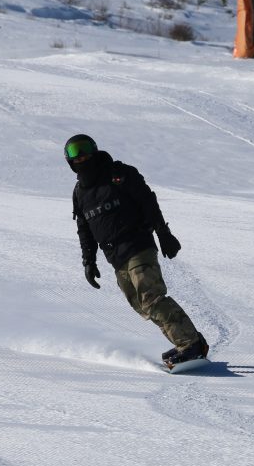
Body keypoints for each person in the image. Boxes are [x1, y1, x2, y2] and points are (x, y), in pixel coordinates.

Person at [65, 134, 208, 366]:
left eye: (83, 149)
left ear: (94, 149)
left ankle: (189, 344)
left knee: (151, 298)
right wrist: (88, 261)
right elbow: (85, 229)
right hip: (115, 258)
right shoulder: (80, 193)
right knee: (142, 305)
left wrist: (164, 233)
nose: (80, 156)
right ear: (68, 160)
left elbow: (148, 202)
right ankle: (188, 340)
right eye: (74, 152)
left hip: (137, 244)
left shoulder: (119, 174)